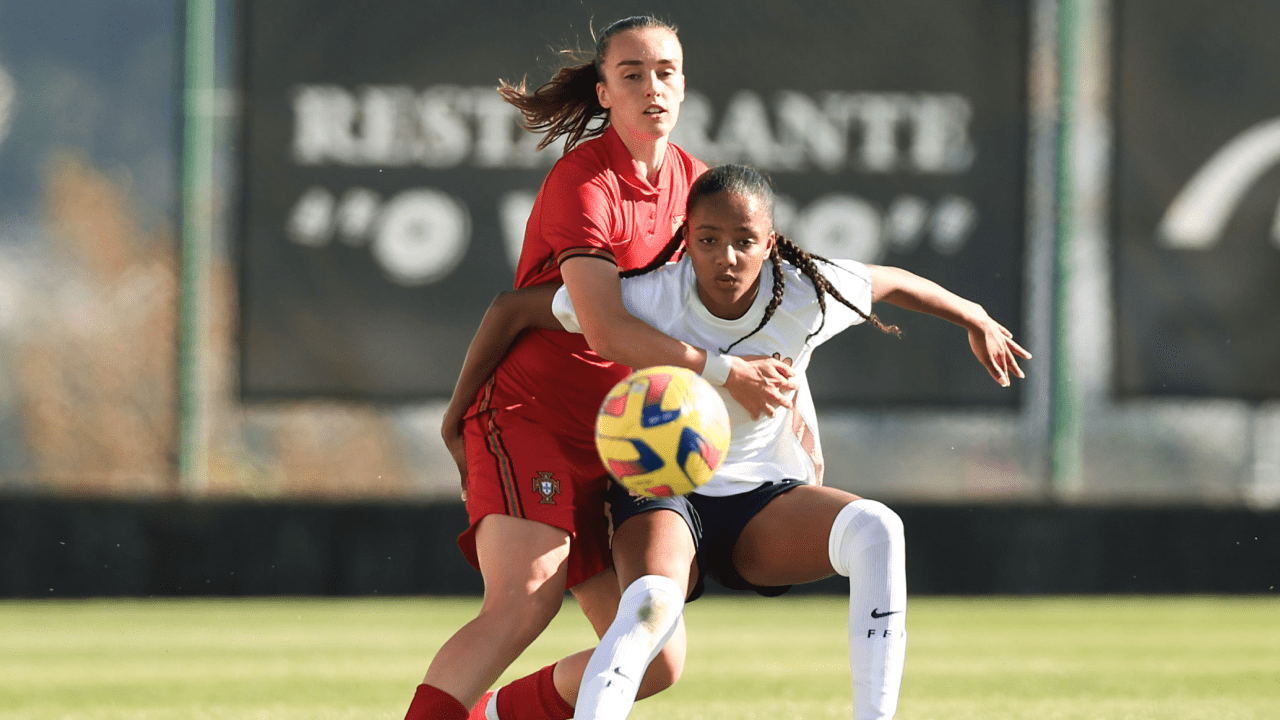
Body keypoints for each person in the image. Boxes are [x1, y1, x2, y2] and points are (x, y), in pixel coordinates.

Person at [454, 164, 1030, 720]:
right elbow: (513, 309)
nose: (725, 258)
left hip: (762, 502)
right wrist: (457, 416)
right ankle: (503, 712)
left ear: (769, 242)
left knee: (879, 528)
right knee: (650, 608)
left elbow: (893, 282)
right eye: (707, 240)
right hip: (663, 493)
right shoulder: (652, 296)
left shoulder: (806, 292)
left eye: (743, 241)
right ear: (686, 238)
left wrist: (974, 316)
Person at [405, 17, 797, 720]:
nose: (653, 88)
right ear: (605, 92)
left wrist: (791, 413)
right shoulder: (584, 182)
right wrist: (727, 375)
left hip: (618, 437)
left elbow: (758, 308)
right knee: (525, 603)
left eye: (667, 72)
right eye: (633, 74)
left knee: (653, 656)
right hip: (534, 416)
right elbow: (606, 329)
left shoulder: (695, 185)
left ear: (684, 85)